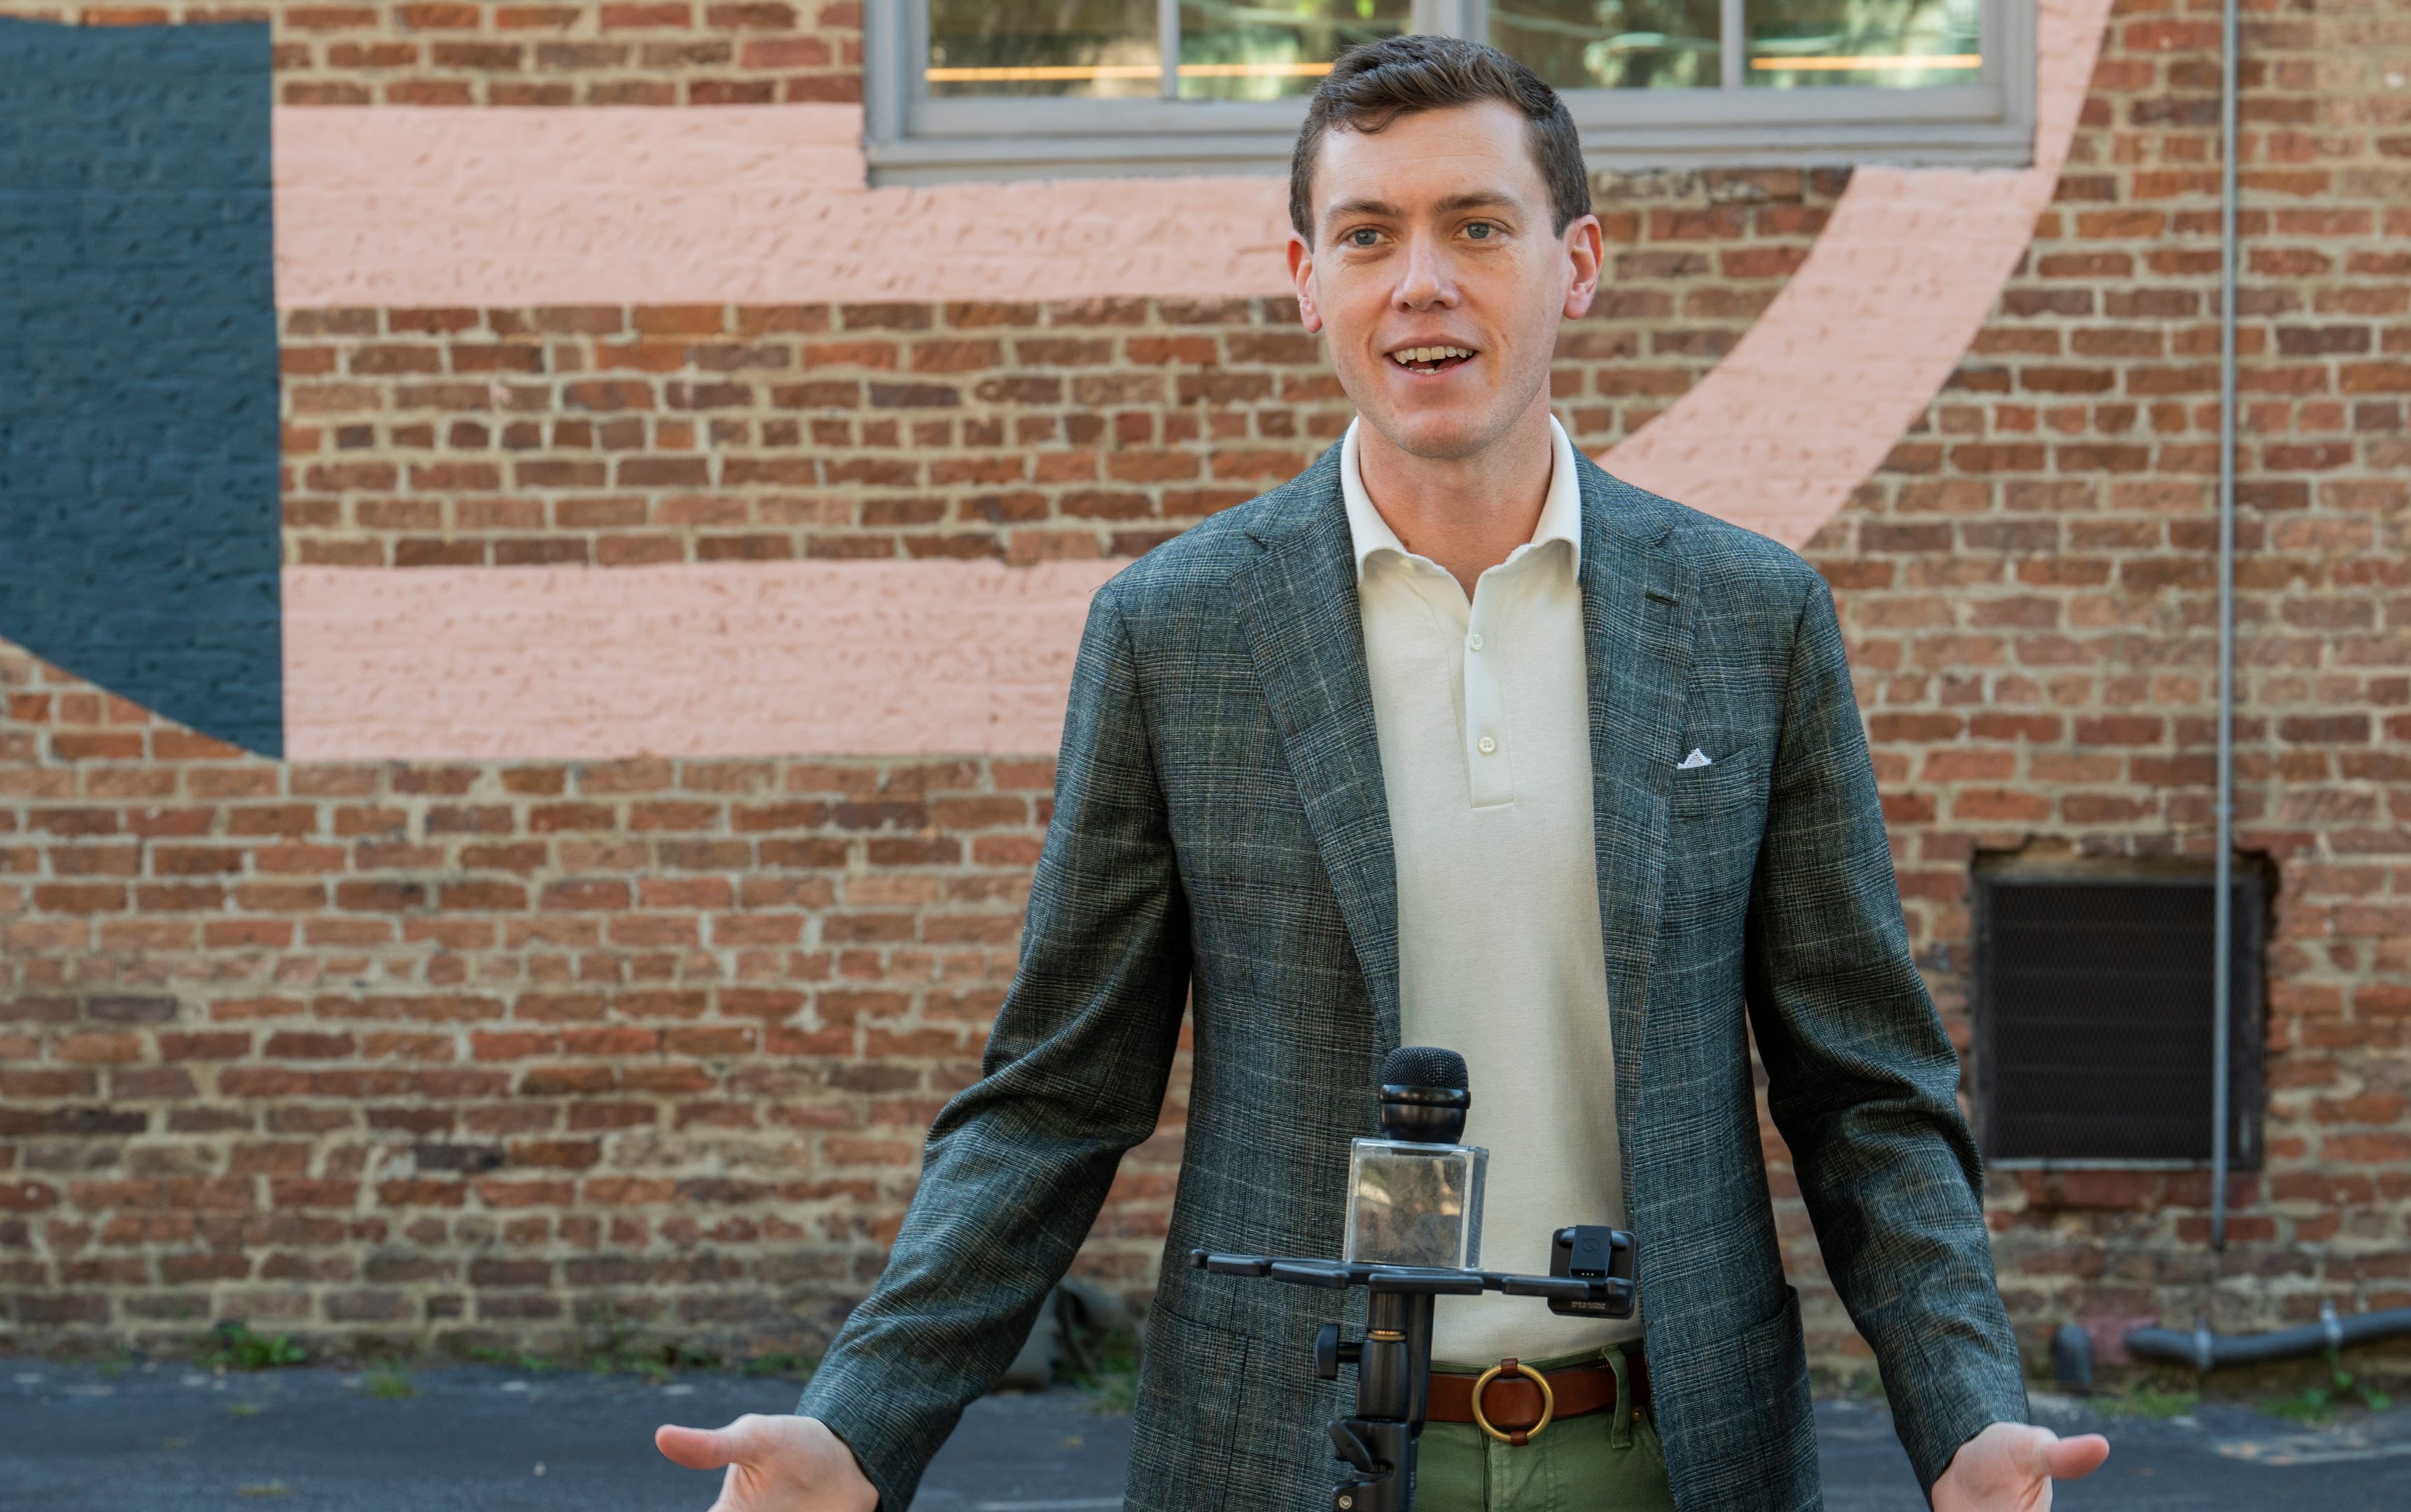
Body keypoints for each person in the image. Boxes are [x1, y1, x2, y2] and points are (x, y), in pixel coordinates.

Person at [656, 34, 2109, 1512]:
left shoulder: (1751, 619)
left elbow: (1866, 1086)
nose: (1423, 280)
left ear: (1578, 264)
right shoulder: (1182, 632)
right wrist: (858, 1425)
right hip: (1282, 1457)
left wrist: (1969, 1415)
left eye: (1478, 226)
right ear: (1308, 282)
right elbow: (1055, 1095)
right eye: (1369, 235)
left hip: (1667, 1455)